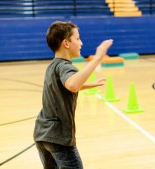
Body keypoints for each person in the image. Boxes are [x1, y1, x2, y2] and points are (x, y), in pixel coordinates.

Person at [33, 21, 113, 168]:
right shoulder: (65, 66)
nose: (81, 43)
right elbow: (72, 84)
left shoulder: (53, 65)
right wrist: (97, 58)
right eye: (78, 38)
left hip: (41, 134)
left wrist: (88, 84)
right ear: (66, 43)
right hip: (58, 138)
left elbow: (65, 86)